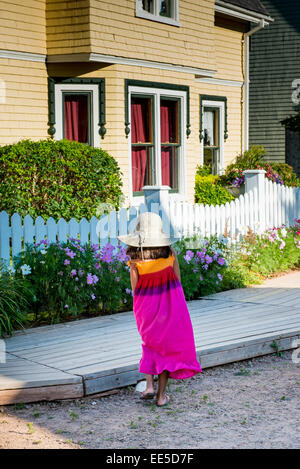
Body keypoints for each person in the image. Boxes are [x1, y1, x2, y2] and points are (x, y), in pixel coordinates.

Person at [118, 212, 202, 407]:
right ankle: (161, 396)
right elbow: (178, 281)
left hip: (145, 306)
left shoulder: (135, 260)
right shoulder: (170, 254)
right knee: (167, 348)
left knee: (150, 343)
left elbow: (135, 287)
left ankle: (149, 385)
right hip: (171, 306)